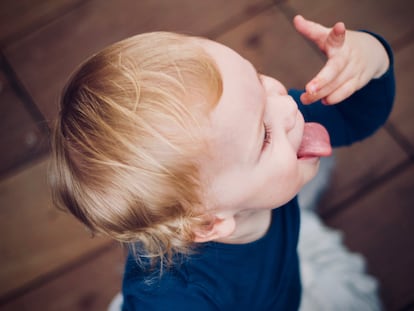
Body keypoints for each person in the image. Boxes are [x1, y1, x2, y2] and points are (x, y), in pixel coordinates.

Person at [50, 15, 395, 310]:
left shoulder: (250, 136)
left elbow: (352, 118)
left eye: (259, 80)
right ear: (210, 223)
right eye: (263, 135)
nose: (289, 107)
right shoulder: (178, 298)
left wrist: (371, 59)